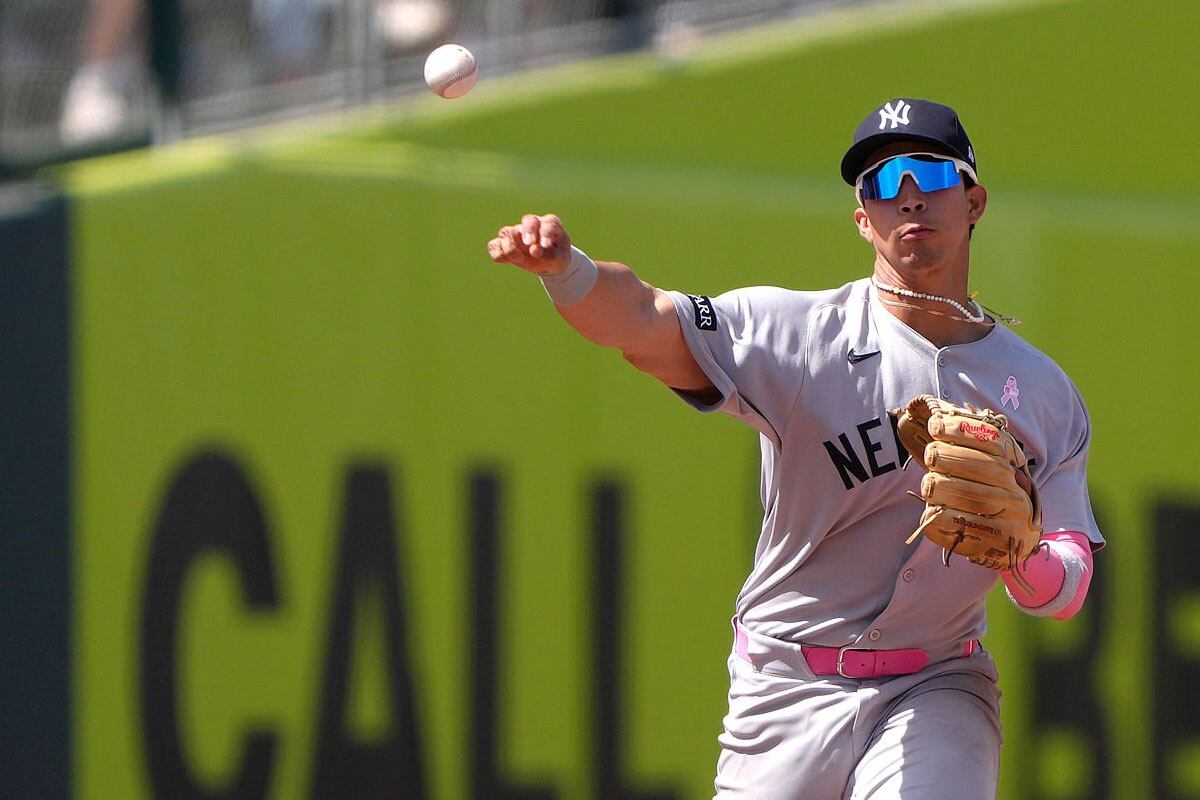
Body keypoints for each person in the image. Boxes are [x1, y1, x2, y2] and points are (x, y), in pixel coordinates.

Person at [486, 98, 1102, 800]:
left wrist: (1024, 560)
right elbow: (645, 318)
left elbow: (1067, 584)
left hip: (938, 683)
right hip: (788, 685)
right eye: (882, 182)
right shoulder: (800, 336)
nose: (908, 199)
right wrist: (568, 273)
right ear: (862, 220)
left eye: (928, 175)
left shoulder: (1042, 392)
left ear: (974, 201)